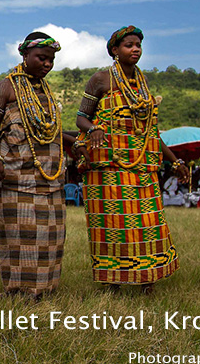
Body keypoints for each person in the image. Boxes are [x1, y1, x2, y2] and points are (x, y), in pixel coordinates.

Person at [75, 26, 188, 292]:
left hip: (143, 166)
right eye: (129, 45)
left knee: (148, 222)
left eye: (138, 44)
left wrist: (174, 160)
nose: (135, 49)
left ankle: (146, 279)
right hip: (109, 167)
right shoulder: (101, 79)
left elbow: (150, 129)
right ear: (115, 50)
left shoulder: (142, 83)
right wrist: (93, 129)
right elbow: (81, 118)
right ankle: (113, 281)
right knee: (113, 224)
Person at [0, 31, 81, 299]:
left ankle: (43, 291)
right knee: (17, 239)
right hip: (14, 180)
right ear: (24, 55)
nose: (47, 64)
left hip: (49, 179)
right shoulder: (6, 87)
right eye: (41, 58)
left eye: (51, 60)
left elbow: (51, 131)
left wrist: (76, 142)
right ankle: (18, 292)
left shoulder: (44, 91)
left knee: (50, 239)